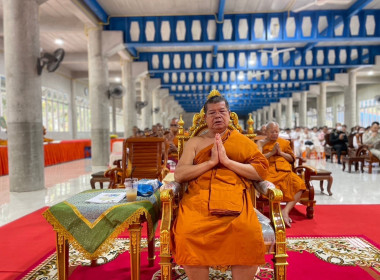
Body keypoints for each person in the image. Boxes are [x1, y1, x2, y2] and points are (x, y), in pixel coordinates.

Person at [171, 94, 269, 280]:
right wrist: (210, 163)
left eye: (222, 112)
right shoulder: (195, 142)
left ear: (229, 115)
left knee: (247, 232)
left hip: (234, 199)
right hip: (198, 200)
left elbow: (261, 172)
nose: (217, 116)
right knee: (187, 233)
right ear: (205, 118)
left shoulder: (241, 141)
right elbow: (180, 174)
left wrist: (226, 161)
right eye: (212, 113)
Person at [257, 122, 306, 228]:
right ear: (266, 132)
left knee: (300, 184)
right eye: (272, 132)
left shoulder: (284, 143)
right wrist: (271, 153)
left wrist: (280, 153)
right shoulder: (261, 143)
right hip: (269, 172)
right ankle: (275, 213)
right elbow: (258, 159)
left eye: (277, 132)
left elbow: (292, 158)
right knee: (272, 188)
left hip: (285, 171)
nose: (275, 134)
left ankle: (285, 211)